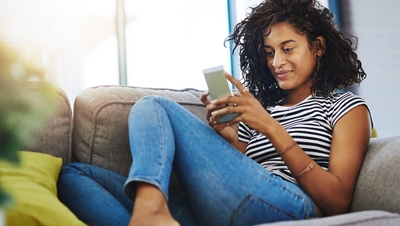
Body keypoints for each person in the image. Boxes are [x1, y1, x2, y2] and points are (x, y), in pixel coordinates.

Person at [57, 0, 373, 225]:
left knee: (153, 105)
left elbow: (337, 200)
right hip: (224, 208)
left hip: (290, 206)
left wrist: (273, 129)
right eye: (269, 52)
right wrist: (230, 139)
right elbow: (236, 175)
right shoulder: (260, 110)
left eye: (287, 48)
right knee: (74, 177)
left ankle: (150, 209)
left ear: (317, 46)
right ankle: (152, 214)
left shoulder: (344, 107)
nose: (276, 62)